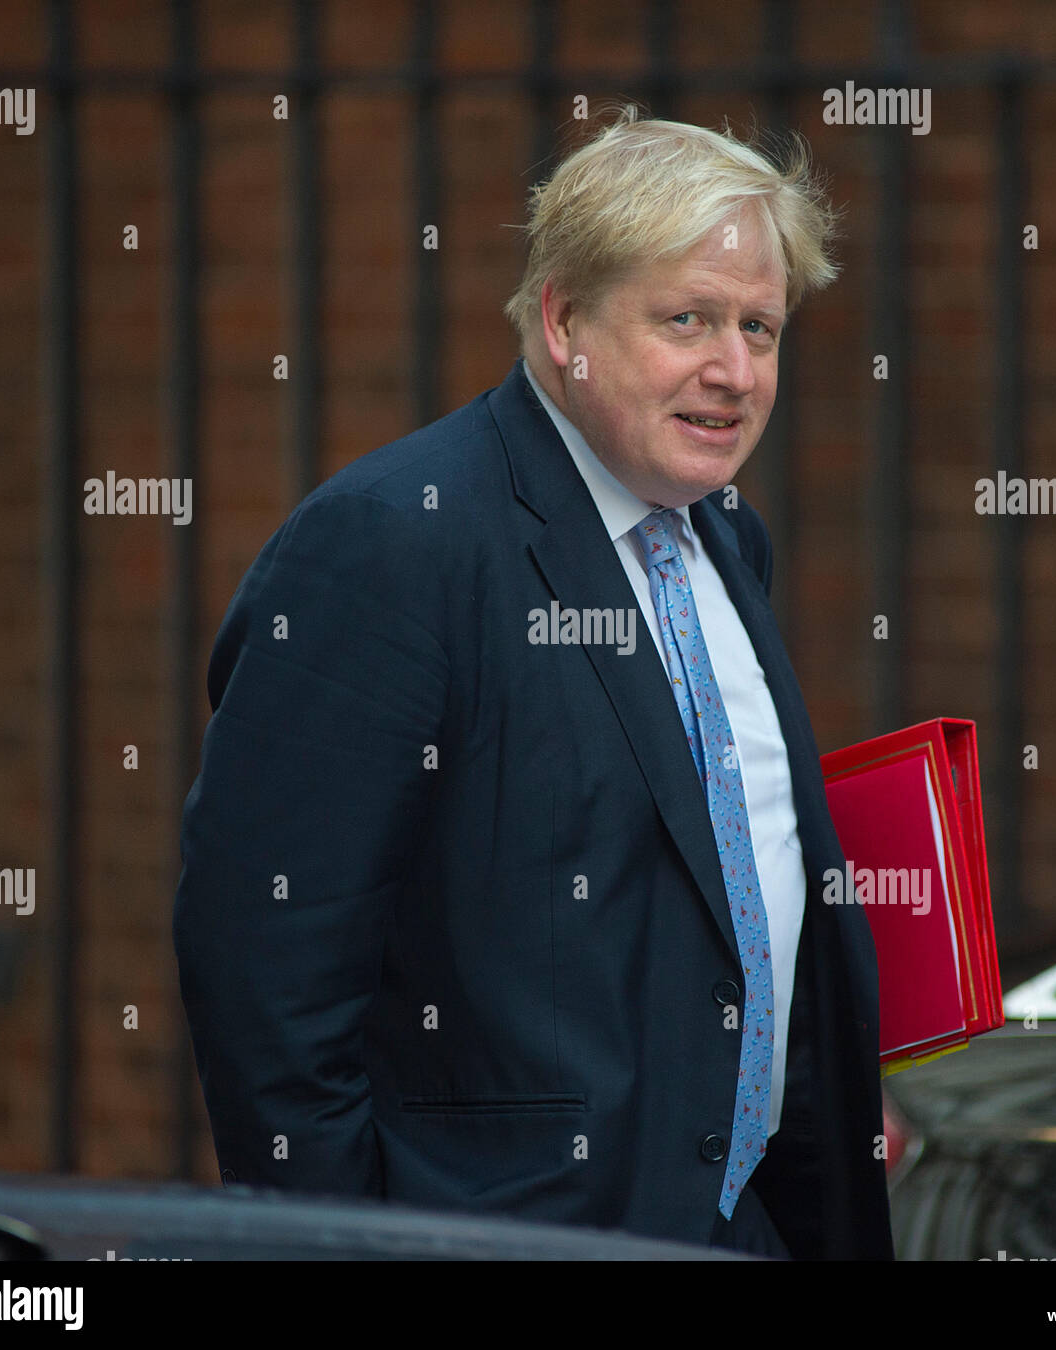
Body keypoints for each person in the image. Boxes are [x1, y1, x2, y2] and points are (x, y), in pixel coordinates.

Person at [172, 106, 893, 1260]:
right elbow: (265, 970)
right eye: (686, 319)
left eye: (759, 328)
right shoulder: (395, 543)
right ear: (564, 321)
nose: (733, 371)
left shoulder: (720, 537)